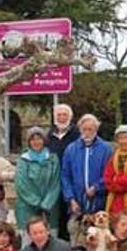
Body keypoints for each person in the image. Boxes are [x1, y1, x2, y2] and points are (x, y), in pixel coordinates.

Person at [62, 114, 112, 242]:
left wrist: (97, 187)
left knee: (98, 241)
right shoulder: (71, 149)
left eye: (91, 129)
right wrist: (71, 199)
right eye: (84, 129)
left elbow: (109, 173)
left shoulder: (106, 149)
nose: (87, 132)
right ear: (80, 129)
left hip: (99, 204)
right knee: (76, 238)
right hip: (77, 204)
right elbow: (65, 176)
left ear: (96, 130)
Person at [15, 126, 61, 244]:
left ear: (44, 140)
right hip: (27, 208)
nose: (36, 142)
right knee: (29, 242)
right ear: (29, 142)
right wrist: (36, 202)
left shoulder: (52, 159)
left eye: (39, 139)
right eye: (33, 139)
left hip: (50, 207)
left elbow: (55, 182)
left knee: (51, 242)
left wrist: (47, 203)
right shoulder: (23, 160)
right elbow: (21, 184)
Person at [47, 103, 80, 240]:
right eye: (58, 115)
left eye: (64, 115)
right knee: (56, 218)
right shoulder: (48, 136)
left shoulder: (77, 135)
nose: (61, 118)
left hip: (72, 181)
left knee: (71, 218)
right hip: (53, 182)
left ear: (70, 117)